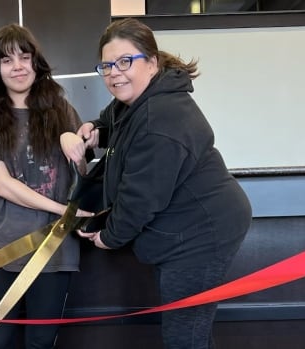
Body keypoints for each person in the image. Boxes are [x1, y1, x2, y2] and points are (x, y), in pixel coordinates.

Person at [60, 18, 252, 349]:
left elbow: (140, 198)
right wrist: (93, 129)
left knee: (184, 333)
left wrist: (109, 236)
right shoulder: (137, 100)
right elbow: (111, 120)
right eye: (106, 66)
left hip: (201, 233)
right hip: (184, 229)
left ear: (152, 62)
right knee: (191, 328)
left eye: (124, 62)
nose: (114, 73)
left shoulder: (158, 118)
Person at [0, 23, 92, 349]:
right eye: (7, 60)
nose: (18, 66)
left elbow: (83, 172)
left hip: (55, 252)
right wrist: (61, 211)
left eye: (25, 57)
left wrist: (74, 144)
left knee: (42, 343)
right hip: (0, 251)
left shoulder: (62, 109)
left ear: (36, 63)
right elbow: (3, 185)